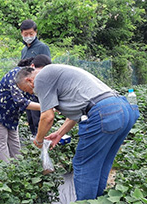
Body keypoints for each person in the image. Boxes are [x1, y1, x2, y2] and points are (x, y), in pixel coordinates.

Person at [15, 64, 140, 201]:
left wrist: (39, 140)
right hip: (124, 109)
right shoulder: (58, 73)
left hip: (105, 112)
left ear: (29, 81)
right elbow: (79, 110)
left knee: (83, 165)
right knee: (103, 161)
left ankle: (85, 202)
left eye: (26, 90)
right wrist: (59, 133)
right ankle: (96, 200)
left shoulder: (40, 78)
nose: (30, 93)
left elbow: (47, 117)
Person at [0, 54, 51, 162]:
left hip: (12, 113)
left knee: (14, 139)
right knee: (1, 140)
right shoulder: (17, 75)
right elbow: (21, 102)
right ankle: (5, 170)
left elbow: (37, 96)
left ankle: (18, 167)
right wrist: (46, 107)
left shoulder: (35, 79)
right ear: (33, 67)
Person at [20, 19, 51, 137]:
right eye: (25, 34)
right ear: (21, 33)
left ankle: (42, 139)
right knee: (30, 116)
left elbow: (47, 68)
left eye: (31, 34)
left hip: (38, 87)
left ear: (36, 32)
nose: (28, 36)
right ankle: (33, 139)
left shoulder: (42, 47)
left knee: (38, 115)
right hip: (27, 87)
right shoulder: (24, 50)